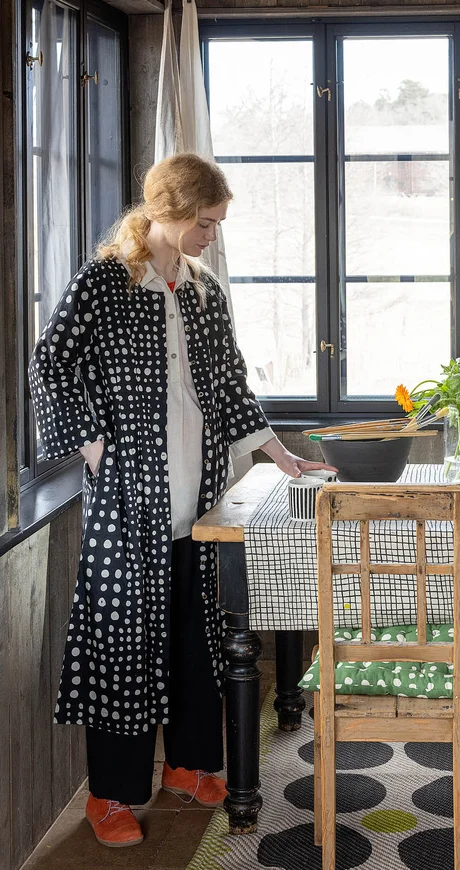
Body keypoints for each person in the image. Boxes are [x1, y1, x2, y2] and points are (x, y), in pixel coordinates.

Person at [28, 153, 336, 848]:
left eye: (217, 223)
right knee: (124, 645)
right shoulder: (107, 281)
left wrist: (282, 456)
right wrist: (90, 444)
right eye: (204, 222)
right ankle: (111, 795)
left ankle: (191, 765)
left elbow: (229, 382)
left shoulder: (202, 290)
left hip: (198, 497)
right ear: (167, 212)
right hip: (127, 500)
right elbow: (50, 362)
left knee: (196, 640)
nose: (212, 236)